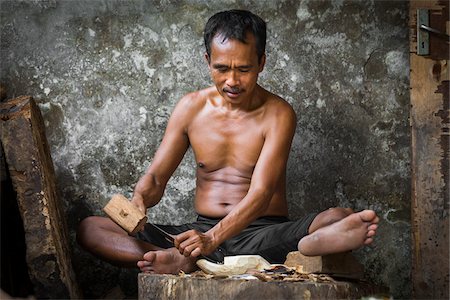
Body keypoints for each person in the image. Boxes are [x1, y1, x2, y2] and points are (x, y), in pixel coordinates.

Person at [77, 9, 379, 274]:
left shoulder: (278, 113)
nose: (232, 81)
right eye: (221, 68)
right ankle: (193, 257)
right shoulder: (190, 107)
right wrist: (140, 200)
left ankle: (197, 260)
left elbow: (261, 193)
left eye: (243, 69)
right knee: (92, 228)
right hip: (199, 231)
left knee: (340, 217)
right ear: (208, 60)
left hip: (262, 232)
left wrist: (211, 242)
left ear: (261, 62)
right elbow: (156, 177)